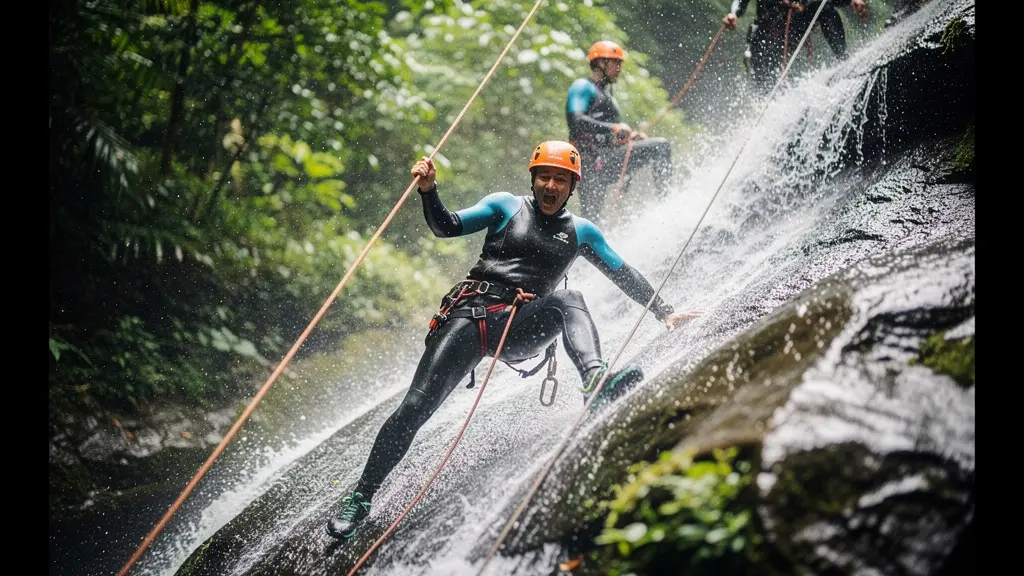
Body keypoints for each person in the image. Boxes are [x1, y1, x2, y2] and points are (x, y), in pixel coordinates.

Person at [325, 140, 699, 540]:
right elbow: (447, 226)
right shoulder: (506, 205)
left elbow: (621, 271)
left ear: (572, 186)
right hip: (470, 316)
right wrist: (429, 190)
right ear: (533, 178)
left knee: (568, 299)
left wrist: (663, 310)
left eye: (560, 179)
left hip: (521, 325)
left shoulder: (581, 232)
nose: (551, 186)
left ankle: (596, 381)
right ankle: (361, 497)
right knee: (415, 407)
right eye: (544, 177)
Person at [566, 40, 673, 223]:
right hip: (589, 163)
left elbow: (605, 135)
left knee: (660, 147)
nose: (619, 69)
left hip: (605, 159)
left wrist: (629, 138)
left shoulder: (607, 96)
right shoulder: (583, 86)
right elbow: (575, 121)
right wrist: (614, 128)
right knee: (591, 221)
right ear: (601, 63)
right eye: (616, 63)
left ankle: (666, 203)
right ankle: (582, 248)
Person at [723, 0, 869, 92]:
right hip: (765, 36)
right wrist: (733, 14)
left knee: (824, 6)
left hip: (795, 27)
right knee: (765, 85)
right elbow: (740, 2)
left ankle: (843, 59)